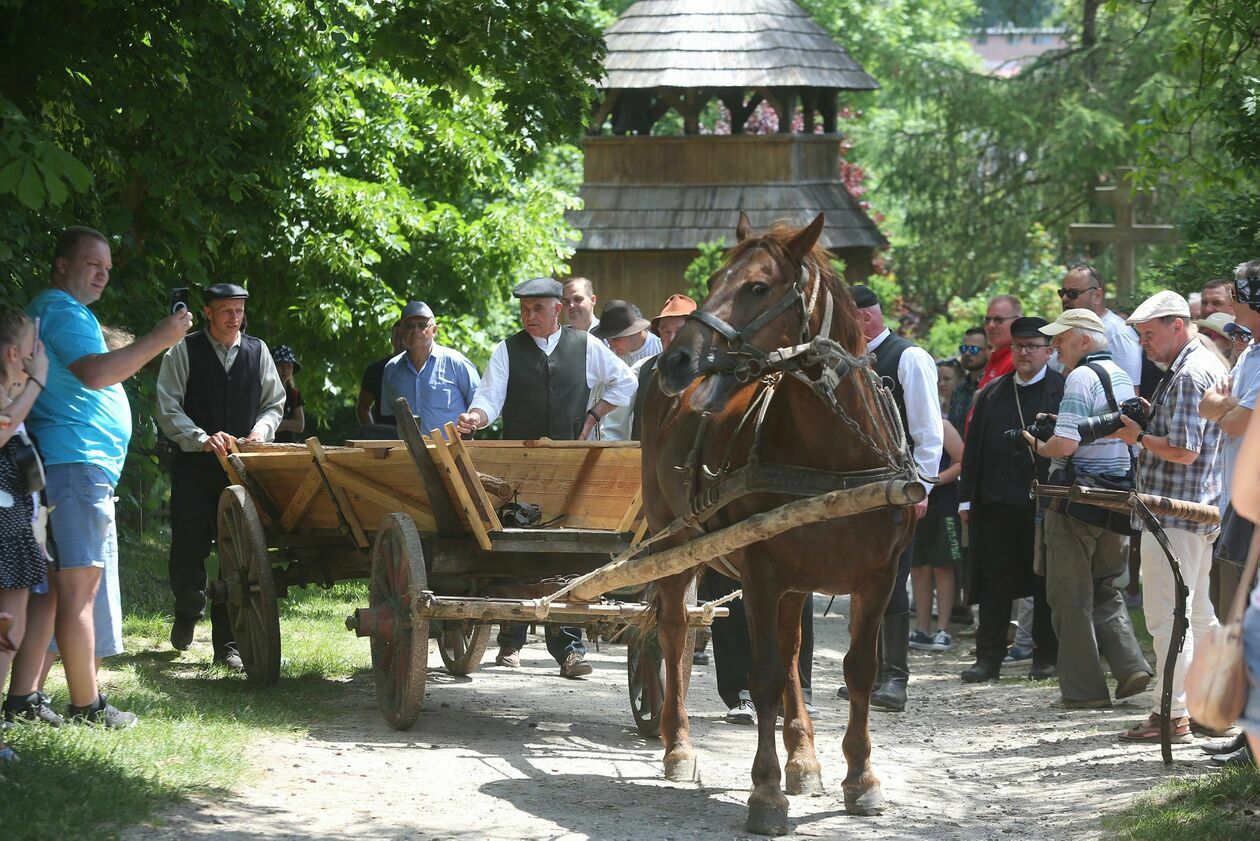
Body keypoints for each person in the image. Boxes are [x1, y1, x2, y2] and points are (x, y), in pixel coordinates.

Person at [24, 226, 191, 727]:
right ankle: (85, 706)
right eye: (93, 264)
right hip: (74, 465)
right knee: (78, 590)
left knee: (56, 591)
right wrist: (160, 339)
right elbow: (96, 373)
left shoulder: (59, 312)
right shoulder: (60, 309)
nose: (102, 275)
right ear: (62, 265)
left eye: (108, 269)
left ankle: (25, 699)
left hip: (72, 466)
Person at [457, 277, 636, 677]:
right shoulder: (506, 350)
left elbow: (627, 382)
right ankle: (510, 643)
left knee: (565, 555)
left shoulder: (587, 345)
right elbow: (489, 398)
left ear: (558, 309)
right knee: (516, 546)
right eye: (524, 309)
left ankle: (570, 652)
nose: (529, 316)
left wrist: (593, 416)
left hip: (571, 464)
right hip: (518, 465)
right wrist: (476, 418)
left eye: (537, 308)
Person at [1111, 291, 1228, 743]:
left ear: (1177, 325)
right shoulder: (1202, 363)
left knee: (1167, 616)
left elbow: (1183, 450)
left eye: (1150, 334)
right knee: (1198, 613)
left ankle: (1173, 715)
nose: (1144, 344)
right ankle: (1210, 707)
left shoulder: (1189, 373)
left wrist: (1138, 437)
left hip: (1175, 511)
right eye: (1140, 335)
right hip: (1194, 509)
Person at [157, 283, 285, 672]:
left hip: (242, 470)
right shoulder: (183, 350)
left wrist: (261, 433)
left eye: (239, 310)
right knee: (189, 547)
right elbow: (167, 405)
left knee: (237, 556)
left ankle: (227, 643)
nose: (234, 317)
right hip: (195, 468)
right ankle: (187, 607)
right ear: (208, 312)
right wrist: (200, 438)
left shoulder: (257, 351)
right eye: (226, 310)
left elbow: (274, 403)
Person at [1029, 309, 1152, 707]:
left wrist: (1030, 440)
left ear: (1083, 341)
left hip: (1074, 501)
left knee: (1069, 597)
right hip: (1114, 499)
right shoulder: (1118, 375)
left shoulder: (1079, 377)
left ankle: (1083, 692)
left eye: (1060, 340)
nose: (1053, 349)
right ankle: (1131, 665)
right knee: (1105, 588)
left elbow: (1064, 447)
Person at [838, 284, 943, 712]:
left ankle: (896, 678)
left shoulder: (909, 357)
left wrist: (922, 486)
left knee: (891, 581)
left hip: (899, 488)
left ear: (863, 318)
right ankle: (870, 672)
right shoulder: (850, 360)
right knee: (863, 583)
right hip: (861, 491)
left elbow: (928, 430)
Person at [957, 317, 1062, 682]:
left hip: (1043, 505)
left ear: (1049, 351)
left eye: (1032, 346)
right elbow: (973, 451)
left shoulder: (1061, 391)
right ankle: (989, 658)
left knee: (1044, 583)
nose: (1023, 353)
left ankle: (1045, 657)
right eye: (1018, 346)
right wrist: (965, 500)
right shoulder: (992, 393)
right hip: (996, 504)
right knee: (994, 582)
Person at [1197, 260, 1260, 764]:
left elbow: (1235, 421)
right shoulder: (1251, 352)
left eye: (1238, 297)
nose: (1232, 305)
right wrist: (1223, 405)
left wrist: (1223, 405)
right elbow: (1213, 406)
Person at [0, 308, 53, 747]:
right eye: (35, 348)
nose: (41, 355)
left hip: (15, 523)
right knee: (6, 631)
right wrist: (36, 383)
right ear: (15, 352)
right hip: (5, 526)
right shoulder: (10, 400)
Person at [909, 418, 964, 652]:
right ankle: (922, 629)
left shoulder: (941, 424)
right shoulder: (903, 421)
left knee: (943, 567)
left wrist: (929, 482)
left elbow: (962, 460)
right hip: (912, 506)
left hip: (943, 506)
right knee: (918, 568)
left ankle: (943, 630)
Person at [381, 302, 479, 431]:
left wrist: (471, 420)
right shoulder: (392, 369)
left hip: (452, 449)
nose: (415, 330)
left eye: (422, 325)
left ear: (434, 330)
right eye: (409, 326)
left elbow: (480, 404)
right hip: (408, 450)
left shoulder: (456, 362)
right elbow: (389, 414)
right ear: (401, 331)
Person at [1057, 265, 1143, 387]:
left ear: (1097, 295)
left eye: (1072, 293)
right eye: (1062, 293)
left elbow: (1129, 395)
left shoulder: (1119, 334)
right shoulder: (1065, 330)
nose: (1065, 298)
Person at [591, 301, 661, 440]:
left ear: (636, 331)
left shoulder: (660, 350)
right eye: (607, 339)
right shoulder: (605, 354)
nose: (611, 346)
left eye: (616, 339)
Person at [356, 322, 405, 428]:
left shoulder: (427, 368)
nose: (402, 342)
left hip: (427, 438)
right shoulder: (375, 370)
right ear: (391, 340)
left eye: (405, 336)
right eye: (398, 337)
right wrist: (373, 434)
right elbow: (363, 407)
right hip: (387, 439)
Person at [978, 295, 1021, 389]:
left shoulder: (1019, 360)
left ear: (1017, 321)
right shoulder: (995, 357)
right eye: (987, 320)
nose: (991, 325)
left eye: (998, 320)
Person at [951, 327, 988, 427]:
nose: (967, 353)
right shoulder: (958, 389)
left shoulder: (990, 387)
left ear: (987, 351)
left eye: (973, 349)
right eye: (963, 349)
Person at [273, 345, 305, 444]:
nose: (285, 370)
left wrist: (277, 424)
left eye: (289, 366)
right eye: (281, 365)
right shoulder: (261, 391)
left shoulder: (294, 394)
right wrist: (288, 424)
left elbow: (300, 425)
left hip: (288, 447)